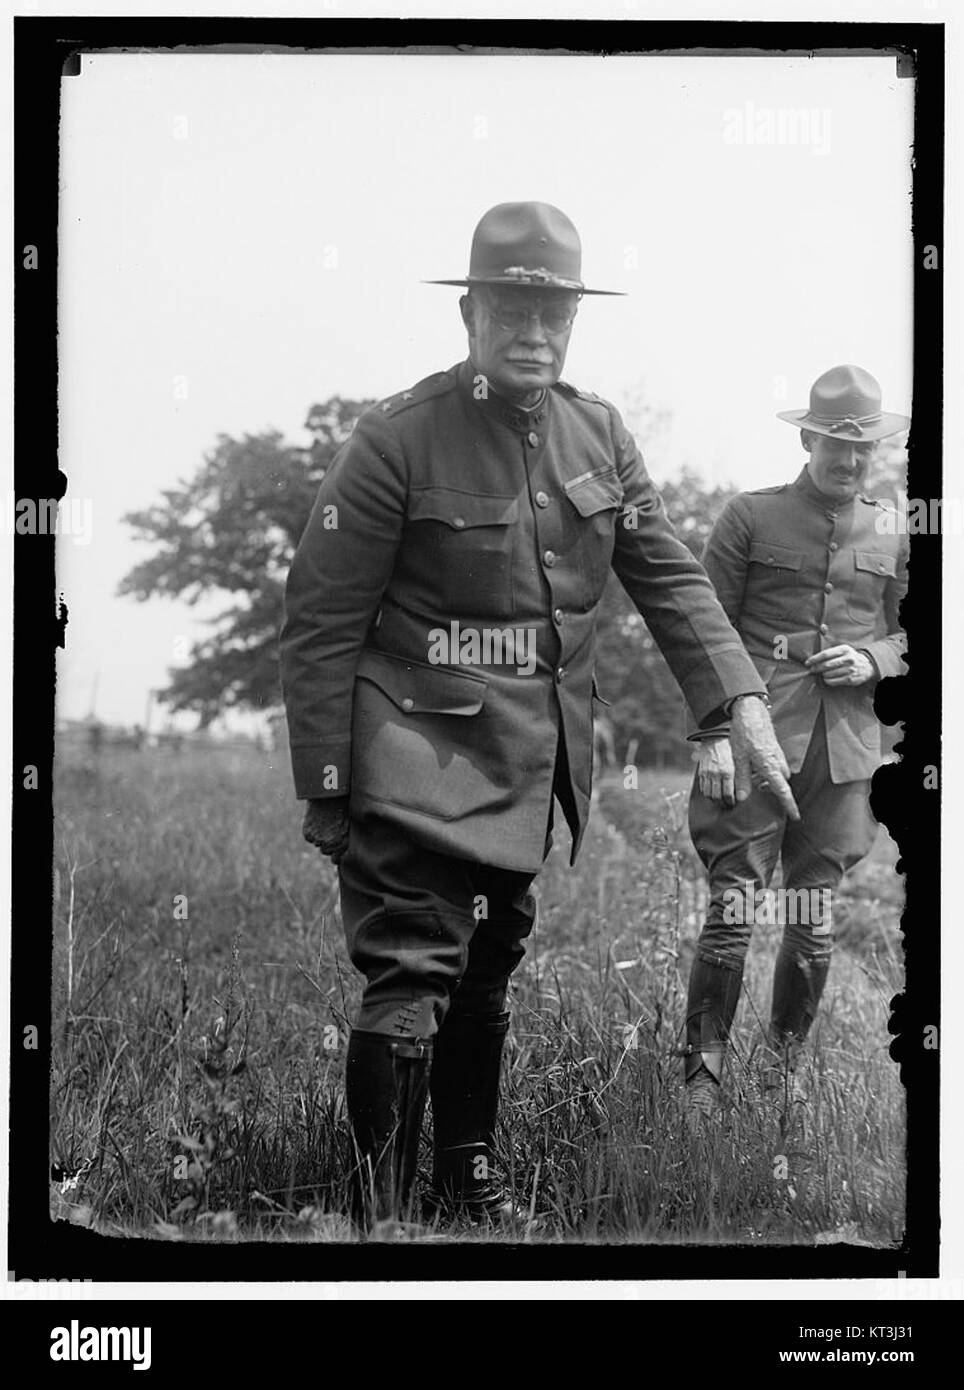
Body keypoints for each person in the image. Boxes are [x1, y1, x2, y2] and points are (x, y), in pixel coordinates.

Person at [279, 201, 796, 1229]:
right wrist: (328, 787)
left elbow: (670, 576)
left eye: (553, 310)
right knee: (412, 967)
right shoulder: (396, 436)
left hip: (526, 773)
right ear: (469, 312)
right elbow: (321, 621)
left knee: (484, 970)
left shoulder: (598, 432)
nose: (533, 330)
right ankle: (378, 1212)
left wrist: (737, 700)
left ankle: (465, 1174)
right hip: (410, 758)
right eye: (512, 306)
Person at [683, 365, 909, 1116]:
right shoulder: (750, 515)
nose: (849, 462)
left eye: (863, 451)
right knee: (732, 915)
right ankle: (702, 1082)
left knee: (811, 926)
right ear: (808, 438)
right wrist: (712, 732)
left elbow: (922, 633)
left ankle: (782, 1079)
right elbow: (702, 632)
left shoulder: (894, 525)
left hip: (843, 753)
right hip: (755, 742)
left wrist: (874, 657)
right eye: (836, 447)